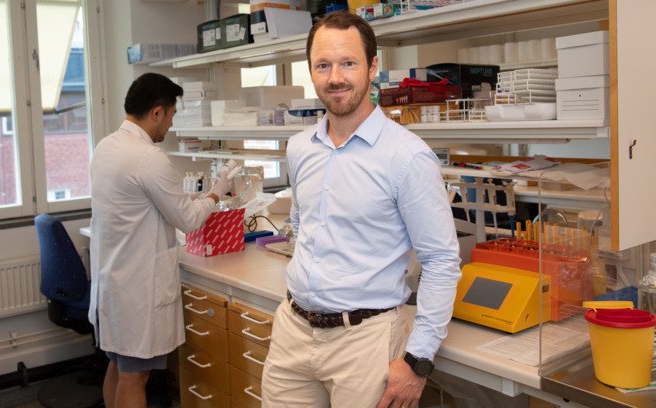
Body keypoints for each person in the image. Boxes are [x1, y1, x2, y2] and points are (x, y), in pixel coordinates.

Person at [261, 12, 461, 408]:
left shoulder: (407, 157)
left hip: (365, 342)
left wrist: (417, 360)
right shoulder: (300, 148)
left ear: (372, 66)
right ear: (312, 71)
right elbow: (302, 224)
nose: (335, 77)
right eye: (323, 65)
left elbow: (441, 261)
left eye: (348, 63)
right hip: (292, 331)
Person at [88, 72, 232, 408]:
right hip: (136, 289)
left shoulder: (106, 147)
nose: (169, 125)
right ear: (156, 112)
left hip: (113, 282)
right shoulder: (148, 158)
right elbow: (189, 219)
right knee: (134, 377)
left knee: (118, 366)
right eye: (170, 116)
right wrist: (216, 192)